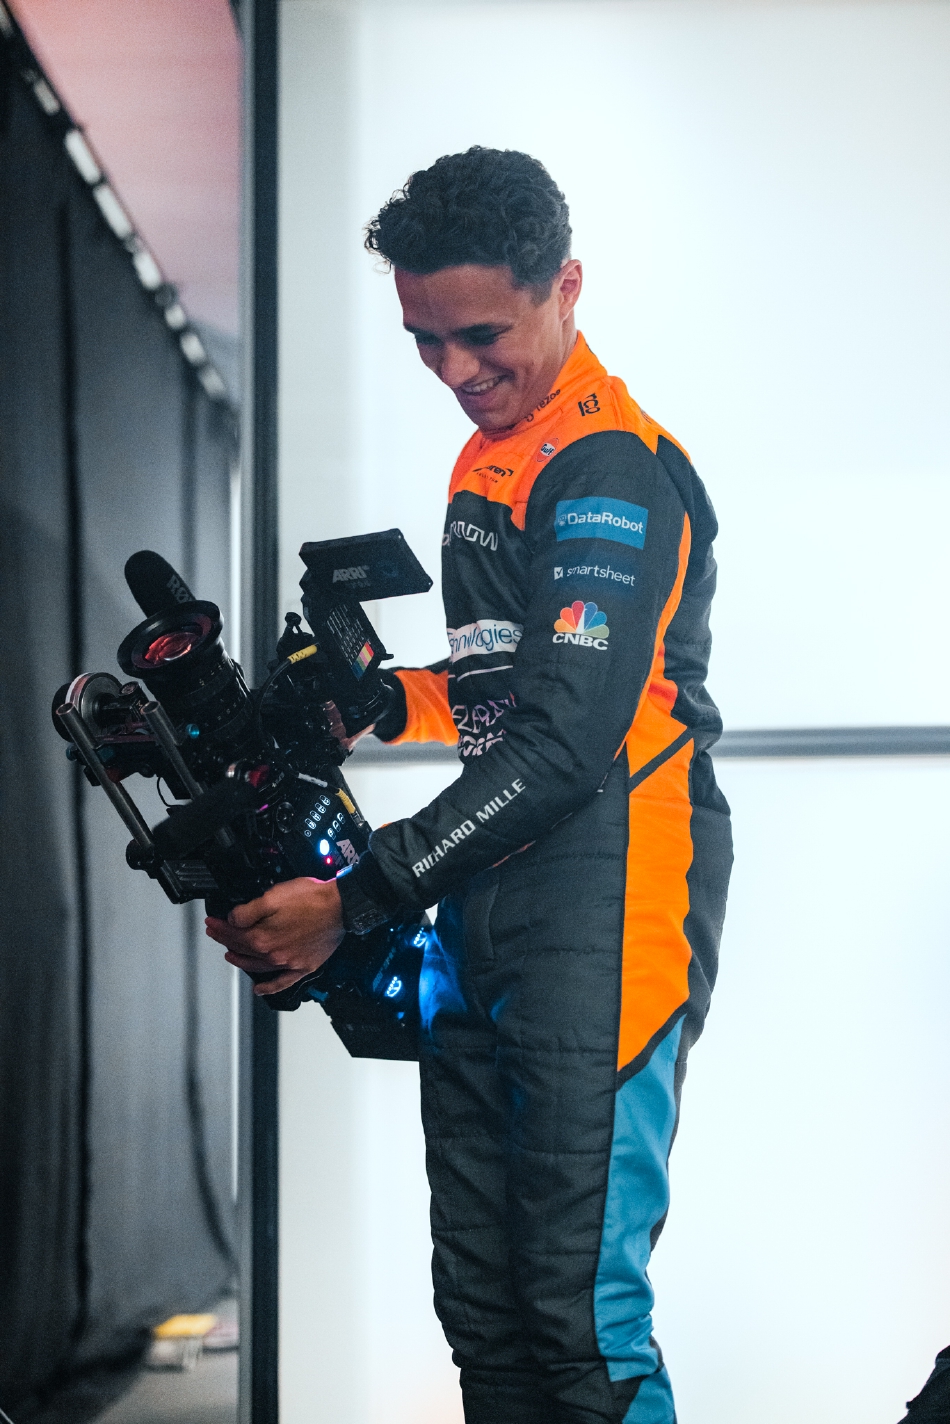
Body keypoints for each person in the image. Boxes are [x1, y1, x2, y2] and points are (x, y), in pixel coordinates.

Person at [206, 146, 733, 1424]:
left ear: (565, 286)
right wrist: (385, 700)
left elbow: (566, 738)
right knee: (485, 1315)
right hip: (485, 891)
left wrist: (352, 897)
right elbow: (509, 684)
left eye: (481, 335)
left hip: (607, 897)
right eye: (423, 340)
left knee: (575, 1315)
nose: (452, 369)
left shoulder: (608, 465)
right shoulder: (490, 453)